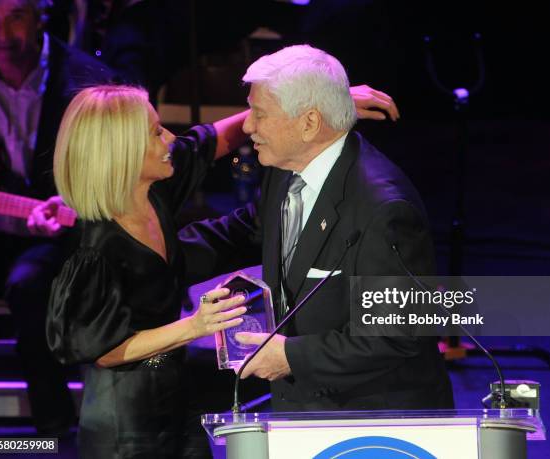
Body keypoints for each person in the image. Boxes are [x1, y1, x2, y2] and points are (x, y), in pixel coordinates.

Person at [44, 82, 399, 458]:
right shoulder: (93, 249)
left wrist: (322, 104)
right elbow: (103, 349)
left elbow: (216, 139)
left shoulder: (151, 184)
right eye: (155, 132)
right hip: (126, 419)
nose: (170, 138)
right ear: (123, 154)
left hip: (175, 391)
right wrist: (196, 326)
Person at [179, 44, 454, 412]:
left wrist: (291, 355)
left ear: (308, 123)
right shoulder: (283, 168)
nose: (247, 127)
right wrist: (152, 257)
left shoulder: (384, 209)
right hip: (304, 411)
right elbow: (251, 230)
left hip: (373, 423)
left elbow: (395, 334)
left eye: (259, 114)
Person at [0, 0, 116, 435]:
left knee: (28, 286)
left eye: (15, 16)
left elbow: (112, 161)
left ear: (42, 15)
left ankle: (55, 428)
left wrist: (69, 198)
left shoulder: (84, 78)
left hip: (58, 228)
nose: (2, 34)